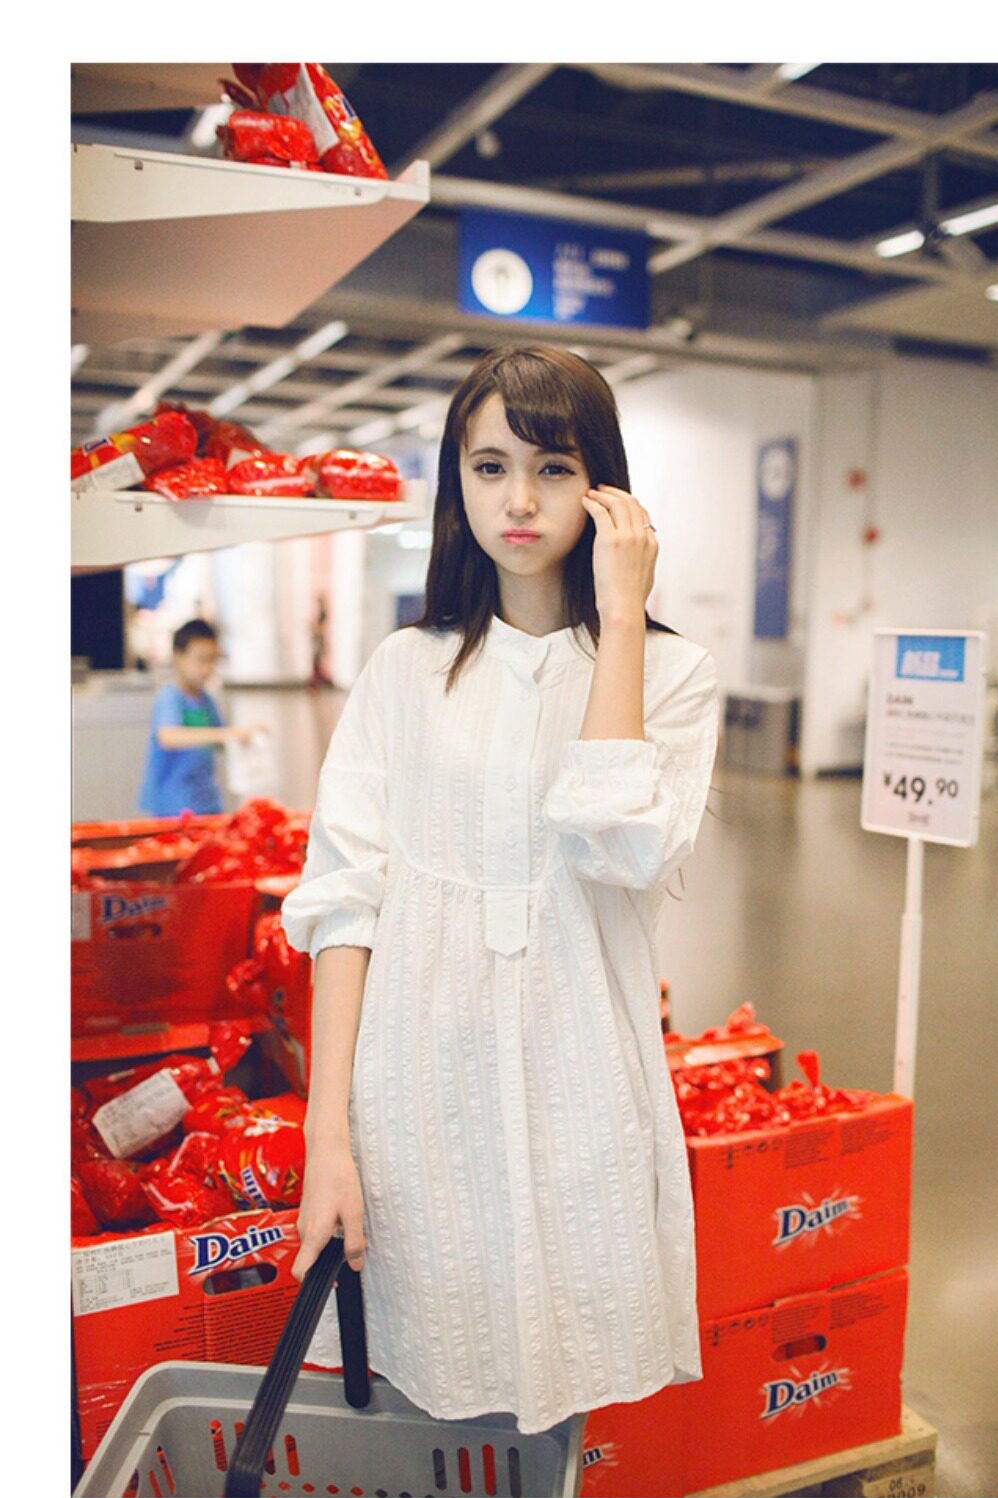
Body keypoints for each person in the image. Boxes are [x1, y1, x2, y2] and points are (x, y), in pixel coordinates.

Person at [281, 343, 721, 1438]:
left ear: (605, 489)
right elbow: (345, 901)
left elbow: (620, 849)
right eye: (489, 468)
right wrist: (327, 1137)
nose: (519, 500)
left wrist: (622, 617)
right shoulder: (405, 670)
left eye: (553, 468)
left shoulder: (672, 675)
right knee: (430, 1374)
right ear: (457, 483)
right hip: (416, 1088)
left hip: (583, 1081)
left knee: (565, 1378)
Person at [136, 618, 266, 817]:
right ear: (178, 656)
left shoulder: (206, 699)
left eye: (212, 660)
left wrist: (247, 737)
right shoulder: (170, 697)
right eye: (201, 660)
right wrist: (229, 734)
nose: (207, 669)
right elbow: (168, 737)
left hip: (207, 802)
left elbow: (222, 740)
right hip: (174, 807)